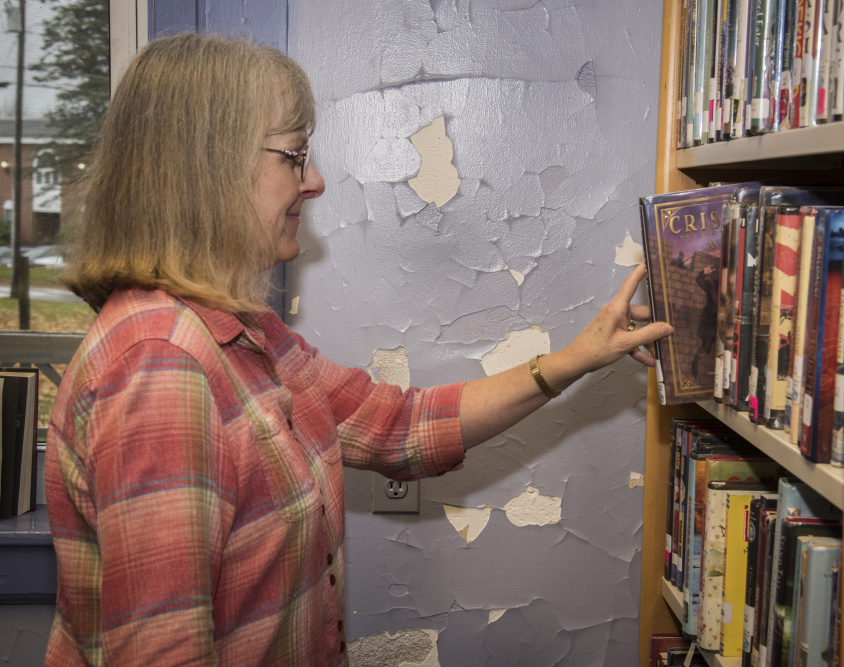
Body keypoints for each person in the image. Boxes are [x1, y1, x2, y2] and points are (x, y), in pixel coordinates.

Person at [43, 33, 672, 666]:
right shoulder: (161, 366)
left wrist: (580, 355)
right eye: (294, 155)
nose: (314, 182)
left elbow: (400, 426)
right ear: (208, 168)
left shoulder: (245, 334)